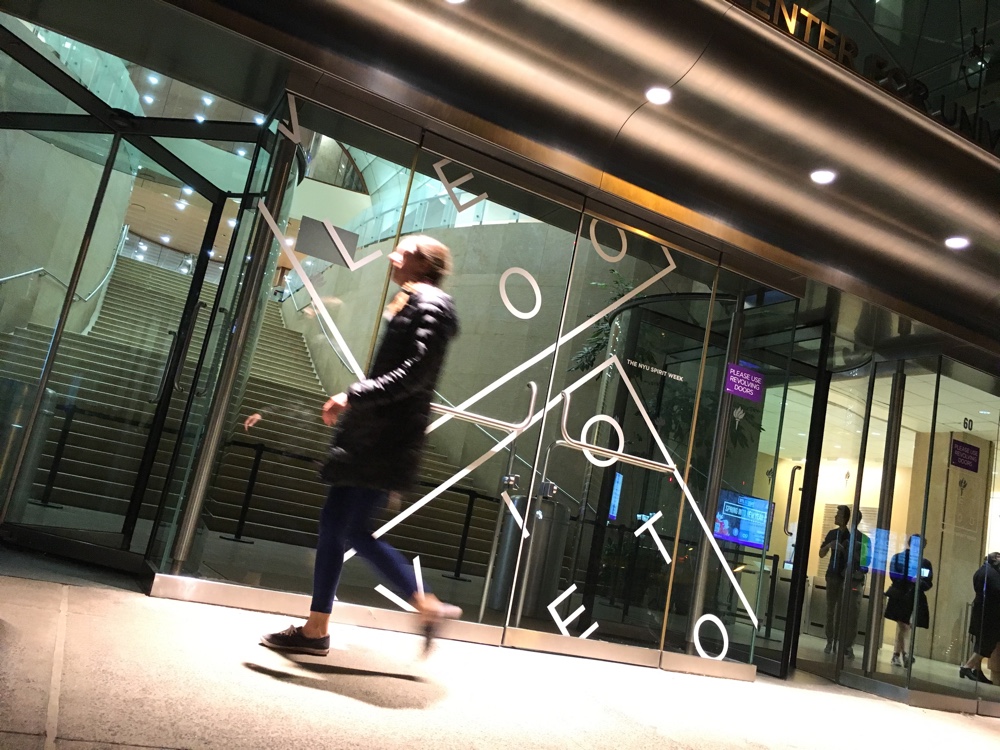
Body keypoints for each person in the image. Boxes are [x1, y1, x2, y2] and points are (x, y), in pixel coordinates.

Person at [260, 234, 461, 657]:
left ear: (422, 264)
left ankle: (424, 603)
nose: (392, 256)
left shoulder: (432, 306)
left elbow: (416, 375)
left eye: (403, 251)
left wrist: (355, 394)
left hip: (385, 440)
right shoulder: (414, 301)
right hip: (372, 437)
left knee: (349, 529)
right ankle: (317, 629)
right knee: (335, 526)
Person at [818, 505, 868, 659]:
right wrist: (829, 546)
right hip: (833, 576)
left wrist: (847, 551)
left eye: (838, 514)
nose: (836, 516)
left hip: (848, 579)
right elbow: (821, 553)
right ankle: (830, 640)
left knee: (847, 613)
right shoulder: (833, 534)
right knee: (831, 611)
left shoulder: (857, 538)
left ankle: (845, 645)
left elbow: (862, 562)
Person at [884, 533, 933, 668]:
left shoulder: (925, 563)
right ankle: (904, 654)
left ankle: (898, 654)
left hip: (914, 598)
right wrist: (909, 579)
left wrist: (919, 582)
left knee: (905, 626)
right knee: (904, 626)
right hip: (901, 596)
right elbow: (893, 575)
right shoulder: (899, 558)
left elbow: (928, 582)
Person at [960, 551, 1000, 684]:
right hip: (988, 614)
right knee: (986, 644)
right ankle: (967, 667)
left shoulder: (982, 571)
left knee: (980, 642)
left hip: (981, 611)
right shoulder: (991, 574)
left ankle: (977, 671)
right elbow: (996, 591)